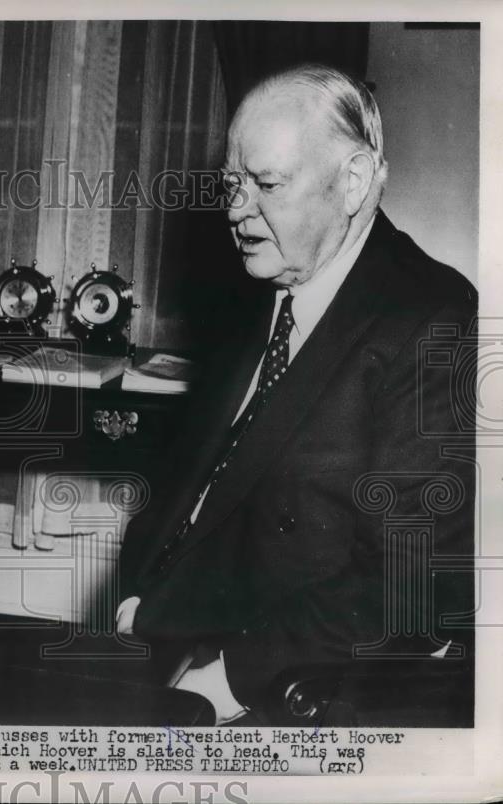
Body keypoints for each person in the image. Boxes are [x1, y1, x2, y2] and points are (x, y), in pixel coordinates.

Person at [116, 65, 476, 723]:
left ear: (355, 182)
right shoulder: (261, 284)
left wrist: (230, 680)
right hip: (175, 635)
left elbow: (411, 587)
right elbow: (195, 489)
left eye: (268, 184)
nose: (236, 209)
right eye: (231, 184)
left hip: (305, 685)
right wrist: (138, 601)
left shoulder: (434, 318)